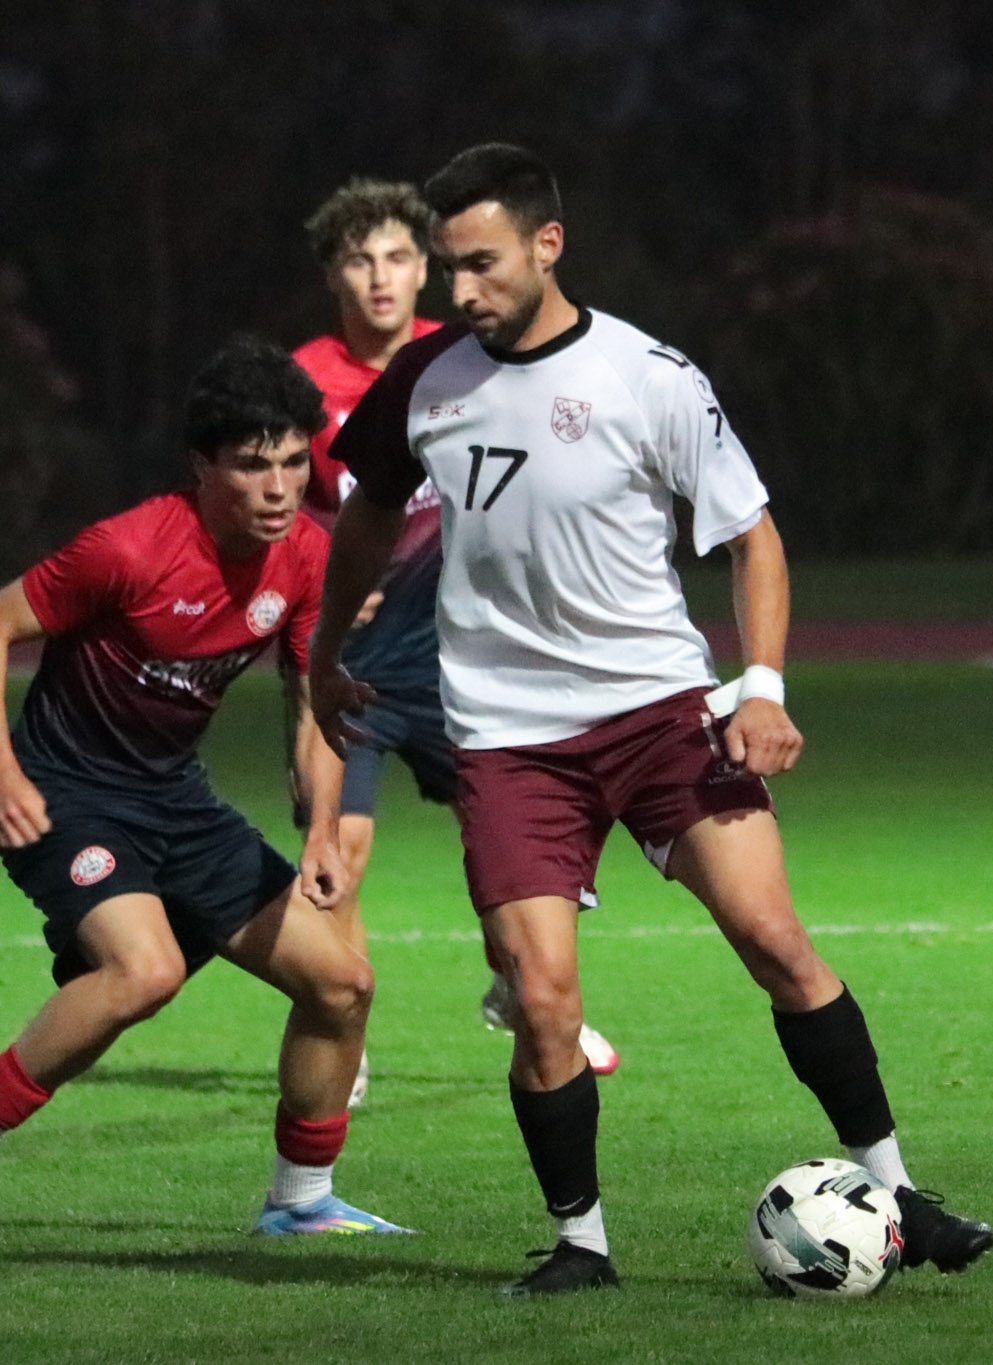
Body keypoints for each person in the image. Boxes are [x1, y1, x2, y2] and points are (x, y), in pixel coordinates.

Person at [308, 144, 993, 1296]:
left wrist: (761, 686)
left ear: (547, 245)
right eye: (446, 266)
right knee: (540, 1001)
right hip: (508, 741)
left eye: (480, 264)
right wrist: (327, 652)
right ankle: (580, 1245)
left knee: (775, 943)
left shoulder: (648, 376)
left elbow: (751, 536)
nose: (458, 290)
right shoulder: (424, 380)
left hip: (660, 714)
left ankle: (900, 1195)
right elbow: (371, 511)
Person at [0, 337, 407, 1240]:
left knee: (342, 984)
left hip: (176, 799)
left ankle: (300, 1199)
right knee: (147, 969)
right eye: (253, 466)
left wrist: (323, 826)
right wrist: (0, 771)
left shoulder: (304, 558)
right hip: (68, 794)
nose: (280, 488)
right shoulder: (129, 547)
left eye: (295, 463)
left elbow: (313, 706)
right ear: (202, 465)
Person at [288, 178, 619, 1108]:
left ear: (424, 269)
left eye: (400, 257)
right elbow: (269, 505)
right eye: (361, 260)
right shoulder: (302, 384)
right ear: (333, 275)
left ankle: (523, 988)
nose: (381, 277)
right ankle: (346, 1041)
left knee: (511, 840)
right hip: (354, 662)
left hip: (464, 657)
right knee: (341, 847)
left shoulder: (467, 361)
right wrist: (317, 588)